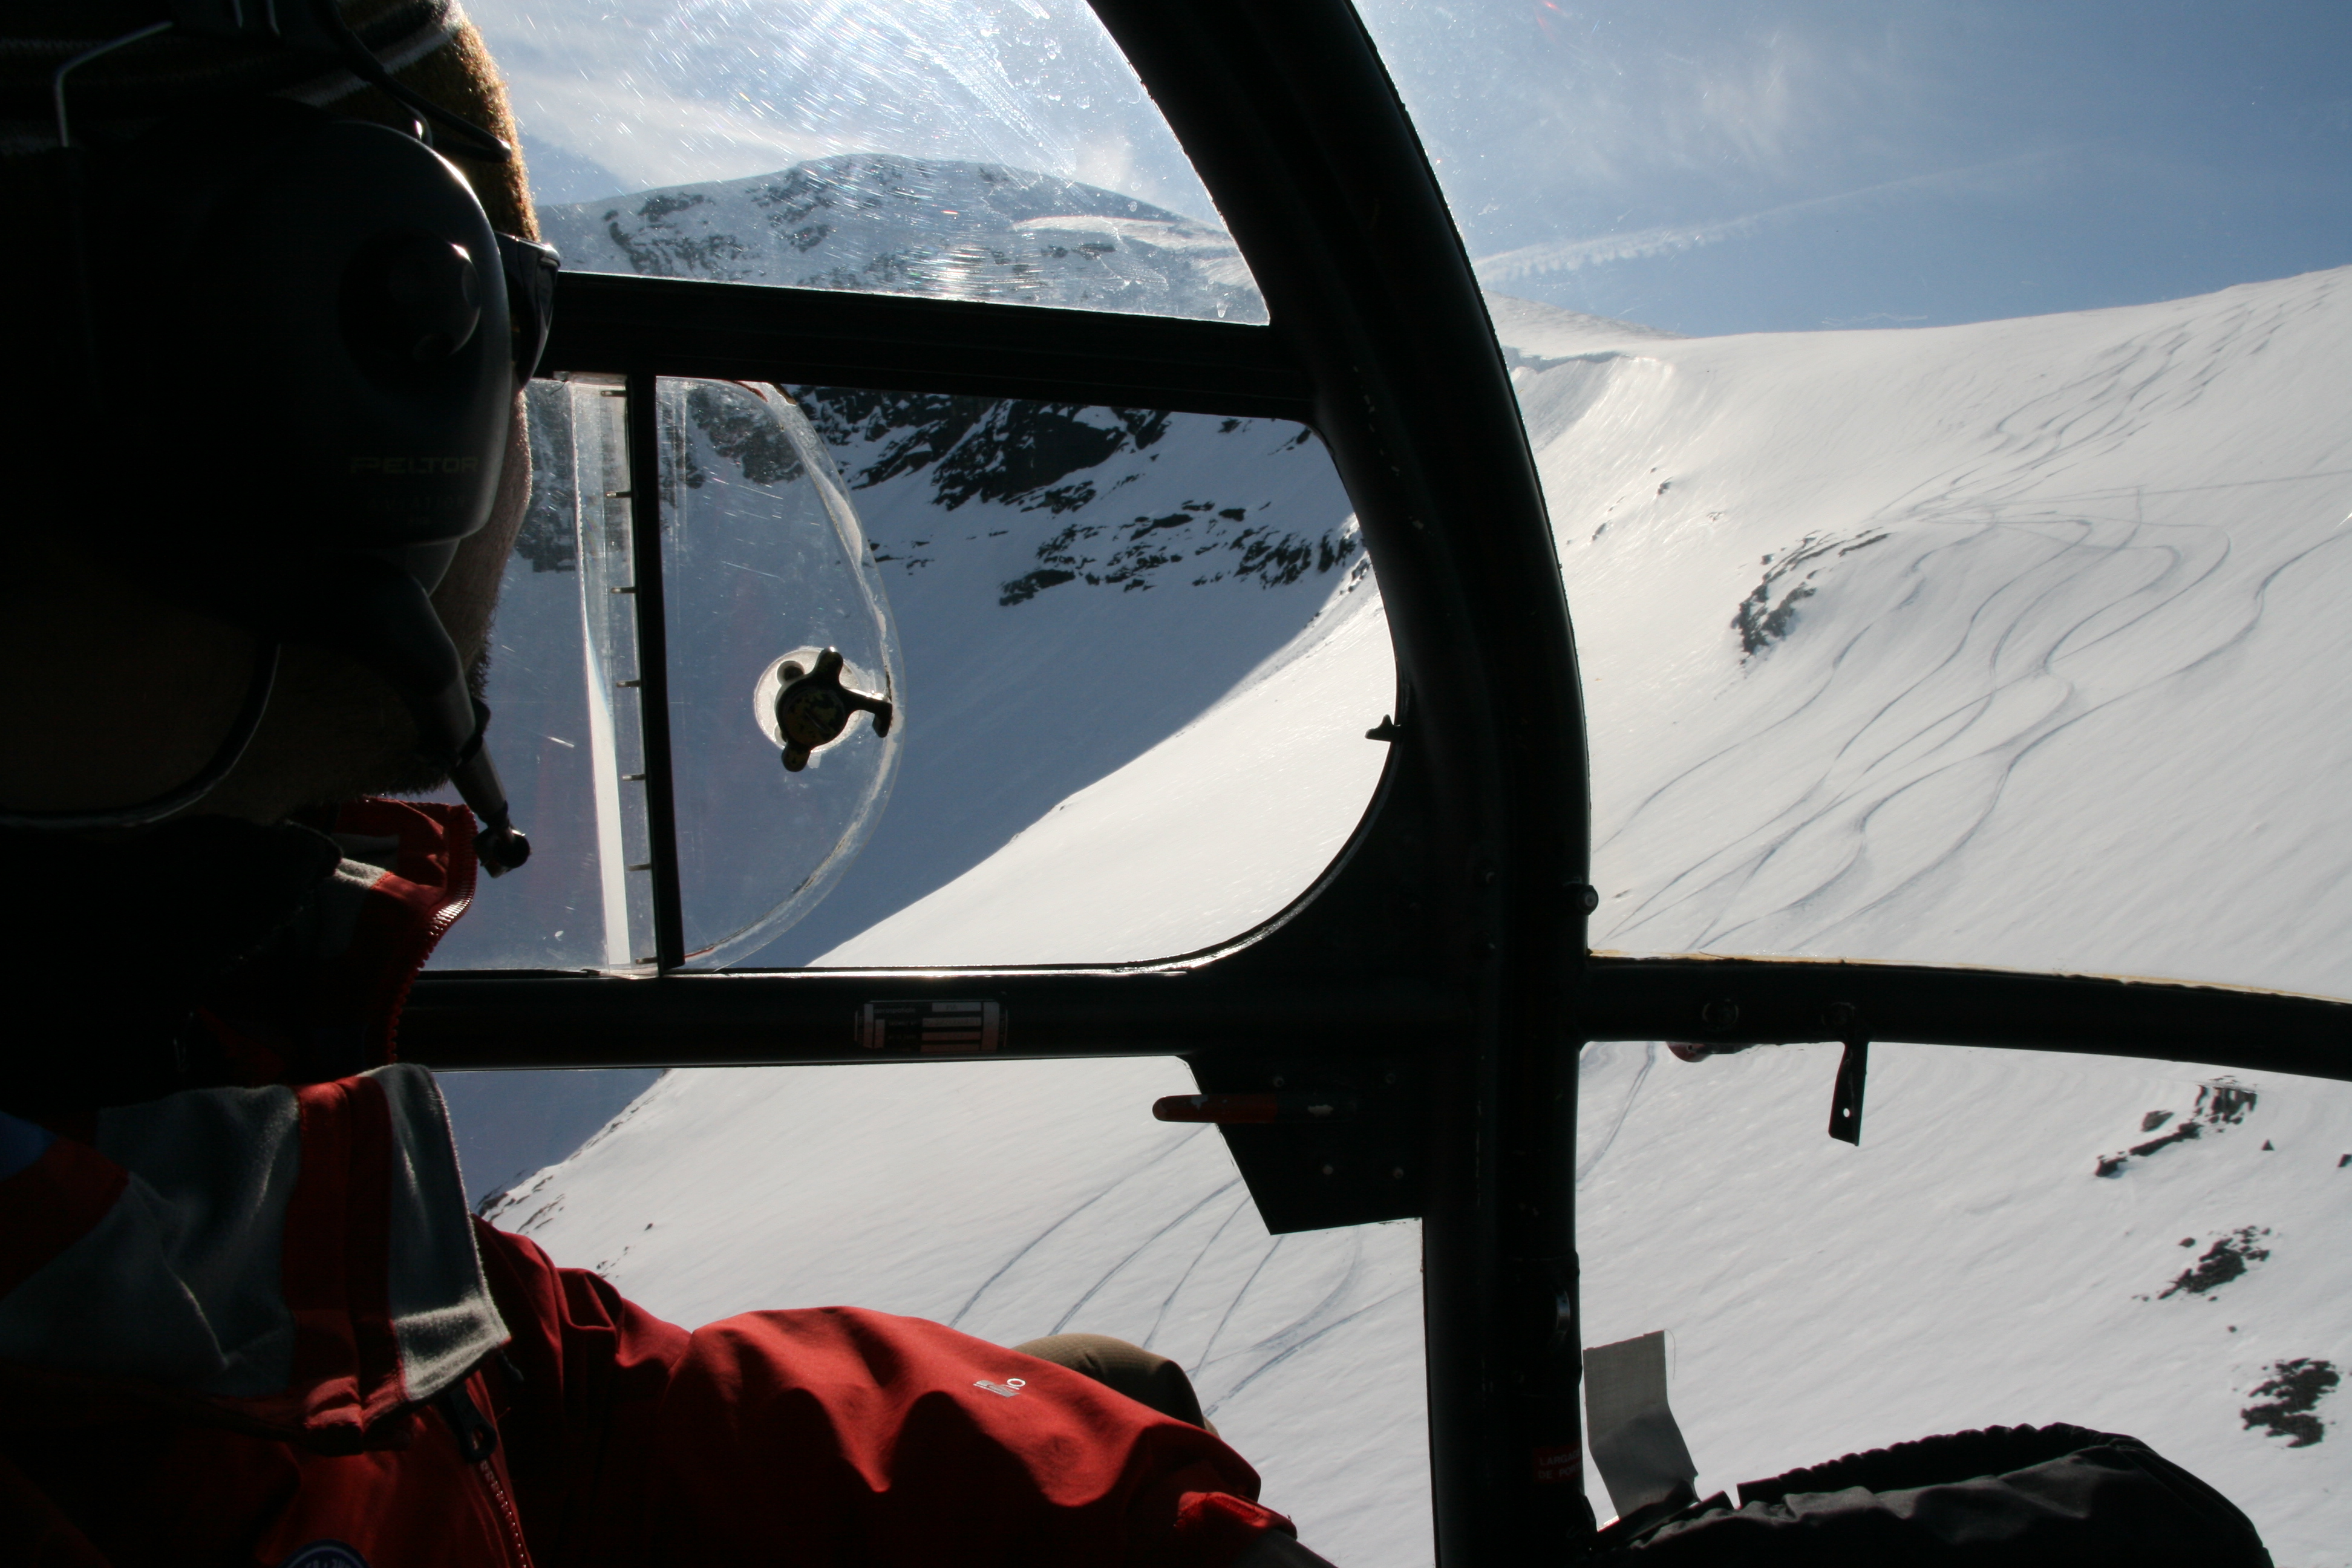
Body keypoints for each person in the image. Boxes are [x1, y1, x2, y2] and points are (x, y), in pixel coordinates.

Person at [0, 7, 1336, 1564]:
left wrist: (1124, 1518)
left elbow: (559, 1416)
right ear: (323, 375)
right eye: (489, 335)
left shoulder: (162, 1082)